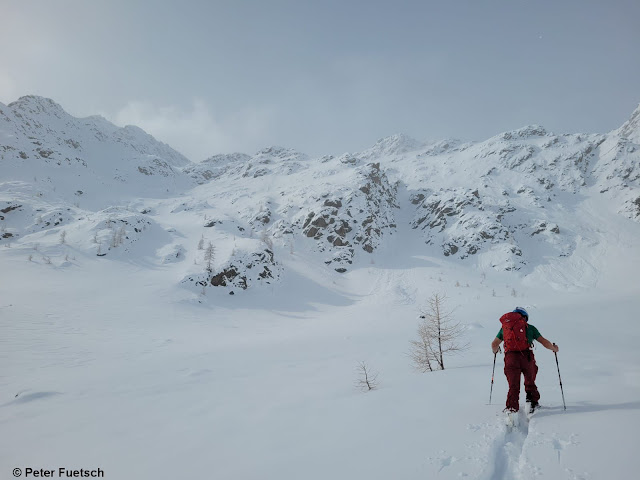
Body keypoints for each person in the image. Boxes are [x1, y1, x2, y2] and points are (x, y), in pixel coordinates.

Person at [491, 307, 559, 413]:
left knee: (513, 385)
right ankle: (532, 402)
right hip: (527, 357)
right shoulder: (530, 328)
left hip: (510, 358)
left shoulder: (505, 328)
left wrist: (495, 351)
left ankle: (511, 408)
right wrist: (554, 348)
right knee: (530, 380)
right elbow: (544, 342)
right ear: (525, 317)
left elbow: (494, 344)